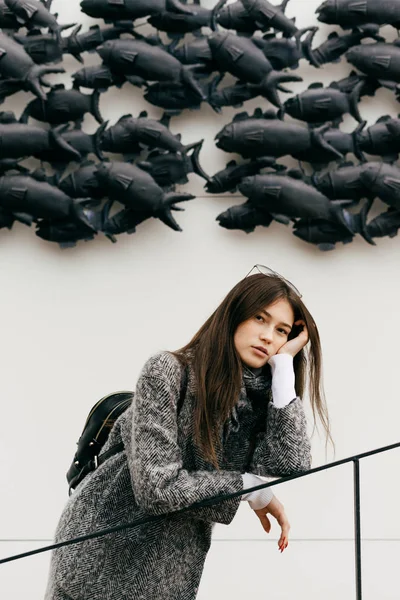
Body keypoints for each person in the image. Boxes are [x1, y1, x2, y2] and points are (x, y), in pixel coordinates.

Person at [45, 265, 330, 600]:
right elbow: (157, 488)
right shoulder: (166, 371)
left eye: (282, 331)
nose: (269, 336)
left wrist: (283, 371)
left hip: (168, 573)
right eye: (259, 319)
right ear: (233, 316)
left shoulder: (259, 400)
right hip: (96, 560)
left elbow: (291, 461)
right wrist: (250, 488)